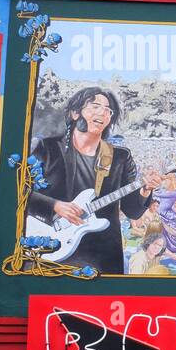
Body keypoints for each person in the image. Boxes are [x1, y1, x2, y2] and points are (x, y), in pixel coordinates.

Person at [27, 87, 162, 275]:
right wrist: (54, 206)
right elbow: (18, 192)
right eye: (95, 106)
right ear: (75, 113)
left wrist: (146, 189)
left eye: (107, 110)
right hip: (50, 248)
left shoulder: (119, 157)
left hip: (101, 256)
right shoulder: (47, 149)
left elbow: (132, 211)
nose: (102, 112)